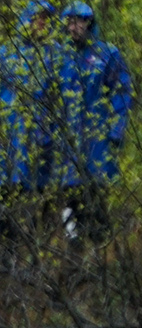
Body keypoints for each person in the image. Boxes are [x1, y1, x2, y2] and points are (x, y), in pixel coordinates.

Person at [50, 1, 128, 243]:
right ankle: (72, 239)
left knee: (95, 186)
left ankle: (100, 241)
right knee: (69, 188)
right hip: (68, 134)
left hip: (97, 133)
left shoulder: (106, 54)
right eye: (70, 22)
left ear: (89, 23)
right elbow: (48, 96)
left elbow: (121, 91)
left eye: (80, 21)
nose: (75, 27)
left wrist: (117, 128)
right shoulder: (59, 56)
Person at [0, 1, 59, 248]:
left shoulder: (53, 54)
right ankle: (8, 245)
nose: (42, 24)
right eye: (38, 18)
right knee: (7, 188)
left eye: (45, 19)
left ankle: (40, 246)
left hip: (41, 134)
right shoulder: (7, 53)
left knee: (40, 190)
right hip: (10, 133)